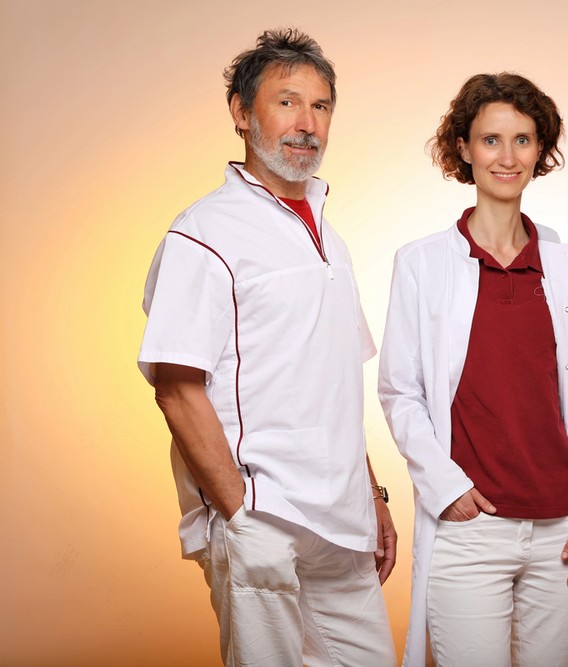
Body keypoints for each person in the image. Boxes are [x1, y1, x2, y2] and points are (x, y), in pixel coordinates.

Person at [137, 28, 396, 667]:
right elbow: (174, 383)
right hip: (262, 516)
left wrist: (372, 495)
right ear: (241, 113)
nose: (307, 123)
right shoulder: (204, 233)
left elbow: (330, 380)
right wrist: (239, 514)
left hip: (342, 521)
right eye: (287, 102)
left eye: (322, 105)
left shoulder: (330, 237)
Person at [378, 72, 568, 666]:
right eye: (491, 140)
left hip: (561, 527)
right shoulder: (422, 264)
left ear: (540, 151)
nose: (507, 157)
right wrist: (449, 489)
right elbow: (399, 392)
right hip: (472, 525)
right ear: (463, 147)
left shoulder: (561, 265)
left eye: (523, 140)